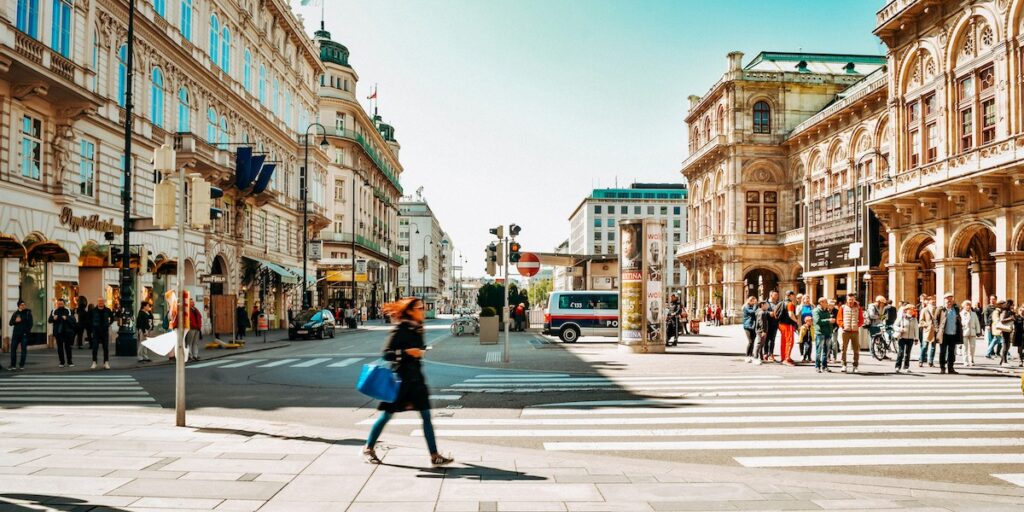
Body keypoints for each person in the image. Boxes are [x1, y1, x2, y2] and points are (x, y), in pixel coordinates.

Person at [363, 297, 453, 467]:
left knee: (426, 415)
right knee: (386, 415)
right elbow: (386, 354)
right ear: (411, 311)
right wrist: (406, 352)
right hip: (400, 380)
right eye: (420, 308)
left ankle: (434, 455)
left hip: (417, 380)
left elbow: (420, 349)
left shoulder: (417, 329)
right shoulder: (400, 329)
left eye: (423, 308)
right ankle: (368, 448)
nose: (423, 310)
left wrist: (420, 351)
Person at [935, 293, 963, 374]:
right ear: (944, 300)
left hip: (953, 334)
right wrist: (937, 329)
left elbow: (958, 319)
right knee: (943, 352)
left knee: (951, 352)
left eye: (950, 299)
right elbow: (935, 320)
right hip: (944, 334)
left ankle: (951, 368)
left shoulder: (956, 309)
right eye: (947, 299)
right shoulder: (941, 309)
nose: (949, 300)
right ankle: (942, 368)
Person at [836, 295, 864, 373]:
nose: (851, 301)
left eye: (852, 299)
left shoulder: (858, 308)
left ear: (854, 299)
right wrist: (842, 325)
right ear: (847, 300)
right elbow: (839, 319)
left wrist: (857, 325)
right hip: (845, 331)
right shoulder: (843, 307)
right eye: (849, 299)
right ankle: (843, 365)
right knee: (843, 349)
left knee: (856, 349)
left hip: (855, 331)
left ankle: (855, 366)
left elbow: (861, 319)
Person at [49, 298, 75, 368]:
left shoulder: (68, 310)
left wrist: (66, 318)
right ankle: (62, 362)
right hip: (58, 332)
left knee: (68, 347)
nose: (60, 305)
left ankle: (70, 362)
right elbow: (49, 320)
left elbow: (73, 320)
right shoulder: (54, 311)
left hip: (67, 332)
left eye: (61, 304)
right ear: (57, 304)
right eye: (59, 304)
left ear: (64, 304)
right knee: (60, 348)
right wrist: (53, 318)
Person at [892, 304, 919, 373]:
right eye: (910, 309)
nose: (912, 311)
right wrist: (899, 329)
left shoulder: (914, 319)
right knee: (901, 353)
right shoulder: (901, 317)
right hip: (902, 337)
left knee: (908, 353)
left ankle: (906, 367)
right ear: (906, 310)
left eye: (913, 310)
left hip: (910, 338)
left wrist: (916, 338)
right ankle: (897, 367)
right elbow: (894, 325)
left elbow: (916, 329)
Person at [8, 300, 33, 371]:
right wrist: (15, 321)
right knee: (13, 350)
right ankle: (13, 365)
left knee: (23, 350)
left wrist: (26, 332)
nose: (23, 306)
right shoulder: (15, 313)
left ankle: (21, 365)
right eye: (22, 305)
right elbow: (10, 323)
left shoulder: (28, 313)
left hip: (24, 335)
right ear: (18, 306)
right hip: (15, 334)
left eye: (24, 305)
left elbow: (30, 323)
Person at [776, 290, 799, 366]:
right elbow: (790, 314)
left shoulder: (780, 303)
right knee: (789, 342)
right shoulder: (790, 304)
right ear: (790, 296)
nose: (794, 297)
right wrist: (796, 321)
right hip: (788, 324)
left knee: (783, 341)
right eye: (793, 295)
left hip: (781, 324)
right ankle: (786, 358)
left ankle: (783, 357)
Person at [90, 298, 114, 370]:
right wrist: (92, 327)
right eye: (99, 301)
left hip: (104, 331)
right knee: (95, 347)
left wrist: (108, 324)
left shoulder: (108, 310)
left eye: (102, 301)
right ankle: (94, 362)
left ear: (104, 302)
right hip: (96, 331)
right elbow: (89, 319)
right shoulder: (93, 311)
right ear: (97, 302)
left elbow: (112, 318)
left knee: (106, 348)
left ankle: (106, 362)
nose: (101, 302)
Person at [812, 297, 833, 373]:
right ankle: (817, 366)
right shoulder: (815, 311)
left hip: (828, 332)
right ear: (821, 303)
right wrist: (828, 320)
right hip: (820, 333)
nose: (827, 303)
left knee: (826, 351)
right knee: (819, 351)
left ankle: (824, 366)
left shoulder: (827, 311)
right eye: (825, 302)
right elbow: (818, 321)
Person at [959, 299, 980, 367]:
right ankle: (965, 361)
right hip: (964, 332)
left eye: (969, 305)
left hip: (972, 332)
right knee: (965, 347)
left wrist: (978, 331)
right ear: (964, 306)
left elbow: (977, 323)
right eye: (967, 305)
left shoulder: (973, 313)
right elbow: (959, 323)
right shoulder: (961, 314)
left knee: (972, 347)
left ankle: (972, 359)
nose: (968, 306)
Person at [919, 295, 938, 368]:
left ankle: (931, 362)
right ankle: (921, 361)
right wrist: (926, 325)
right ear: (928, 302)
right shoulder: (924, 310)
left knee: (933, 347)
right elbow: (921, 321)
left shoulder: (937, 309)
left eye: (934, 300)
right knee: (924, 346)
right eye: (932, 300)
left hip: (935, 330)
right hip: (927, 331)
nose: (933, 302)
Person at [996, 300, 1016, 367]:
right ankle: (1004, 361)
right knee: (1005, 346)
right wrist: (1011, 318)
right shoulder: (1004, 311)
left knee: (1007, 346)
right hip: (1005, 331)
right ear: (1009, 305)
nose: (1013, 305)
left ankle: (1002, 361)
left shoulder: (1010, 312)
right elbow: (1002, 320)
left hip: (1008, 331)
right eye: (1012, 304)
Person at [765, 291, 782, 362]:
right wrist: (769, 313)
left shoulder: (778, 303)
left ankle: (771, 354)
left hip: (775, 324)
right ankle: (765, 354)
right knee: (766, 339)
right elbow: (760, 311)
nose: (777, 296)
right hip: (766, 323)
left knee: (772, 340)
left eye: (777, 295)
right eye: (775, 295)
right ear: (771, 295)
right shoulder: (765, 303)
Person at [753, 301, 770, 366]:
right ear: (762, 305)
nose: (767, 306)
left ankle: (761, 357)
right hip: (761, 331)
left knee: (761, 344)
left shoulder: (758, 311)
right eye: (766, 305)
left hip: (760, 330)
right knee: (760, 343)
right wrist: (763, 331)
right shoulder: (761, 312)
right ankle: (755, 357)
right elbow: (761, 322)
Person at [741, 296, 758, 363]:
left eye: (754, 301)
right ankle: (747, 356)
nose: (753, 302)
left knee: (753, 341)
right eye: (752, 301)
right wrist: (756, 305)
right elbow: (752, 312)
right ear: (749, 301)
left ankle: (750, 355)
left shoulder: (754, 306)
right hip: (747, 326)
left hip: (753, 326)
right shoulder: (746, 307)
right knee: (750, 341)